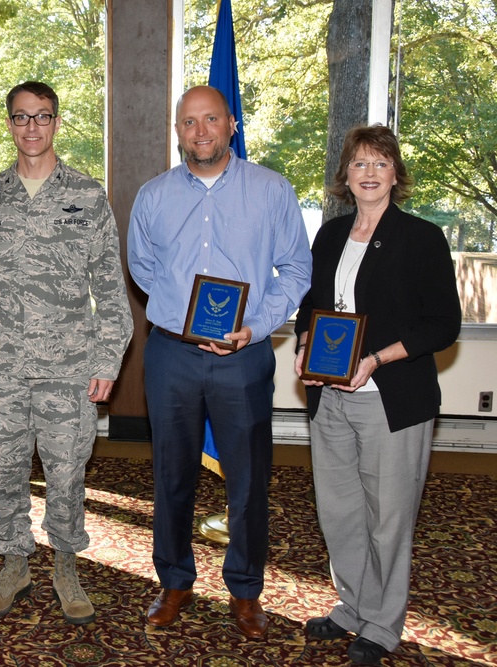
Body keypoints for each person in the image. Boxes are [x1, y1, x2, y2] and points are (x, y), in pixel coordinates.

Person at [127, 85, 312, 638]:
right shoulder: (154, 196)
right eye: (189, 122)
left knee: (249, 479)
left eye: (211, 120)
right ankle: (175, 580)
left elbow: (296, 271)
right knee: (170, 474)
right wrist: (183, 318)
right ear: (178, 130)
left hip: (244, 356)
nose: (200, 131)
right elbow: (142, 267)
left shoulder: (272, 190)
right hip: (172, 356)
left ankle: (247, 590)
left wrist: (254, 326)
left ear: (231, 124)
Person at [0, 81, 133, 624]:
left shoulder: (87, 196)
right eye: (22, 117)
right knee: (3, 467)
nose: (32, 127)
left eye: (43, 117)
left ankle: (64, 563)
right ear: (9, 124)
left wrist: (106, 364)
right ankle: (14, 562)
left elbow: (110, 289)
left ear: (57, 122)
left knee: (67, 470)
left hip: (68, 367)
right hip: (2, 365)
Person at [294, 125, 460, 665]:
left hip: (390, 399)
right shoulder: (330, 236)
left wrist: (376, 359)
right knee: (339, 512)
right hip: (330, 400)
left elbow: (443, 324)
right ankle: (353, 608)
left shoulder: (421, 238)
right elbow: (311, 306)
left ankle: (384, 626)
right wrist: (302, 346)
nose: (368, 173)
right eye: (359, 164)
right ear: (345, 175)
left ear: (395, 174)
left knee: (388, 518)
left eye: (380, 164)